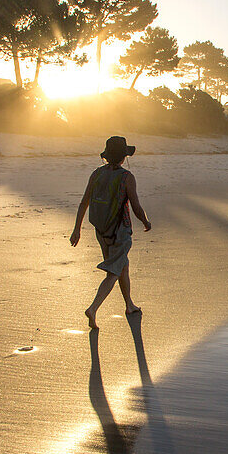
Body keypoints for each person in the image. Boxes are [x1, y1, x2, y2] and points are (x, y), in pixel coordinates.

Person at [70, 136, 152, 329]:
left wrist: (77, 229)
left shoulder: (96, 174)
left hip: (101, 230)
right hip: (120, 232)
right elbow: (136, 207)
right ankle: (93, 308)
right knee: (114, 271)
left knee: (122, 265)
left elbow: (84, 202)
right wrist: (145, 221)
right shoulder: (126, 177)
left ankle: (129, 305)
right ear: (124, 157)